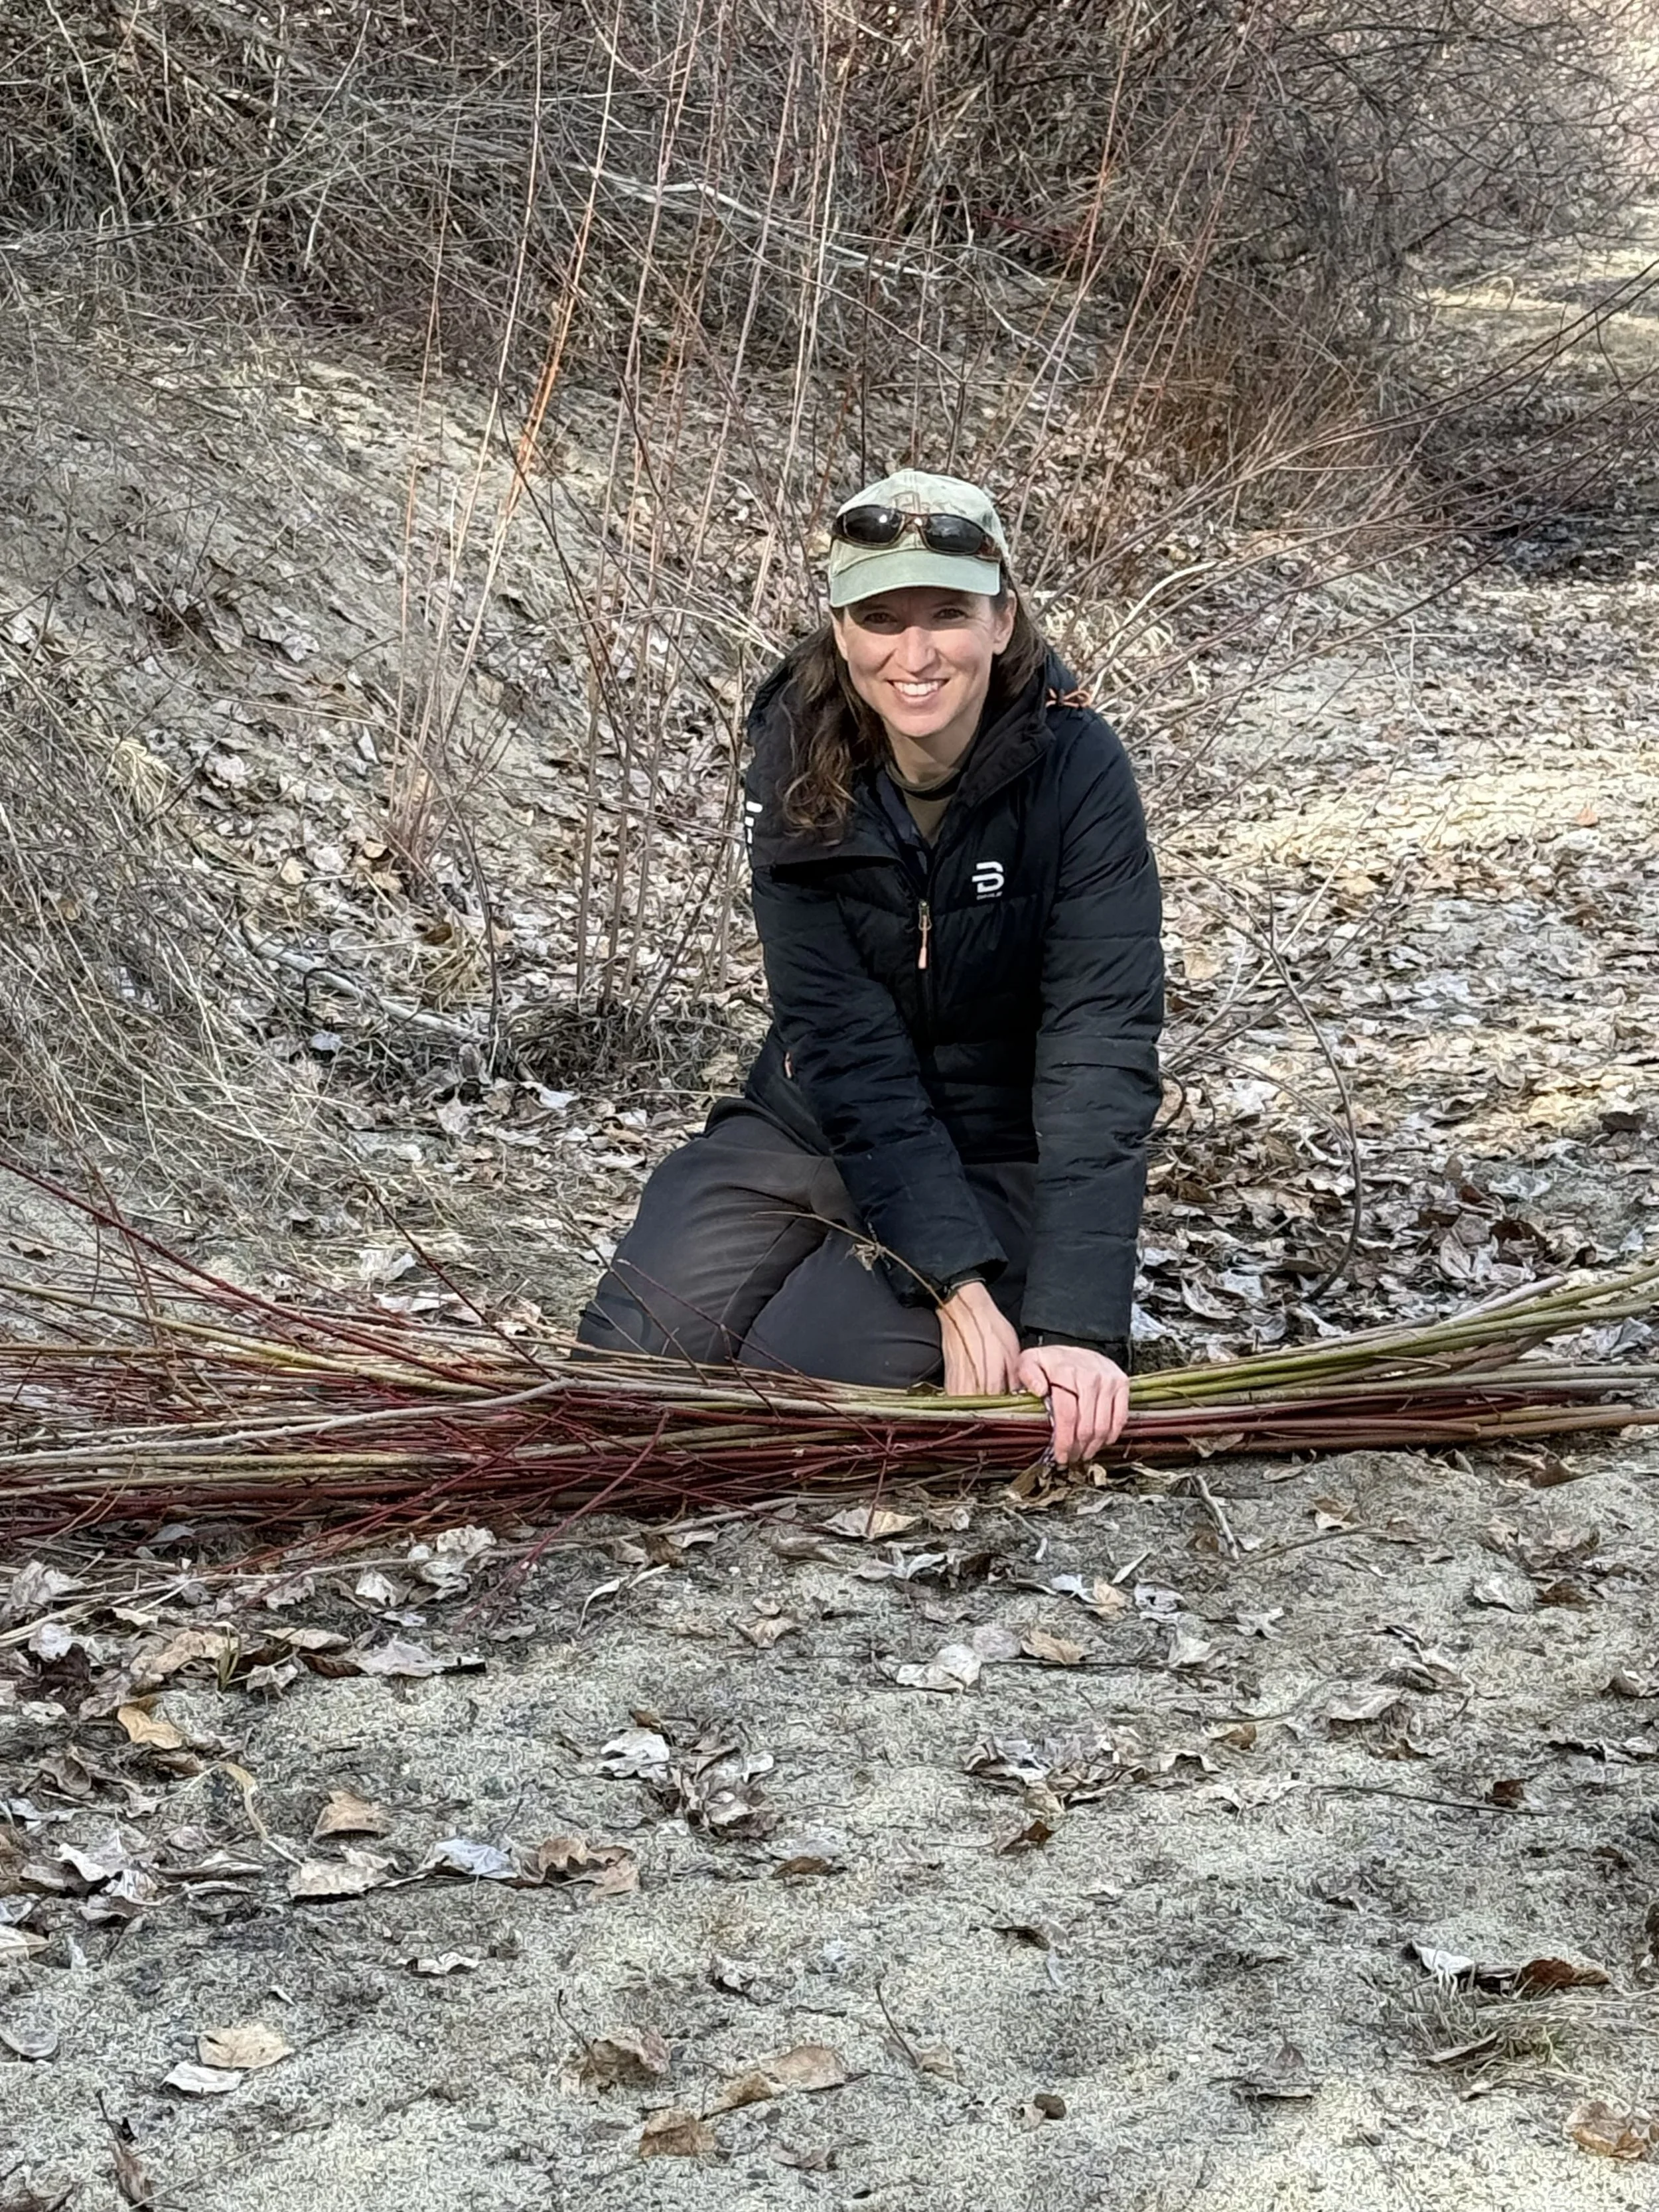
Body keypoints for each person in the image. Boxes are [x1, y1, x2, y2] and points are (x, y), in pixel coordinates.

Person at [577, 468, 1164, 1465]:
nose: (916, 653)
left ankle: (902, 1299)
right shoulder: (797, 756)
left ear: (1003, 621)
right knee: (626, 1377)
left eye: (948, 614)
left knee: (784, 1401)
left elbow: (1099, 1047)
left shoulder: (1079, 770)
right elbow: (841, 1037)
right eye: (881, 618)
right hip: (816, 1120)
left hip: (993, 1149)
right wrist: (942, 1274)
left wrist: (1074, 1328)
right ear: (841, 631)